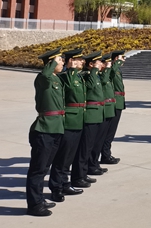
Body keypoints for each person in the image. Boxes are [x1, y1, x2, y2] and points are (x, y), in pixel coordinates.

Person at [25, 48, 64, 216]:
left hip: (55, 128)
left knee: (45, 167)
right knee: (38, 169)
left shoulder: (56, 79)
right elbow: (44, 75)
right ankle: (34, 205)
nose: (62, 62)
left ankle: (39, 199)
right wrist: (52, 61)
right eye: (59, 60)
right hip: (44, 129)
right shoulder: (43, 79)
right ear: (50, 63)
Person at [48, 48, 85, 203]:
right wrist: (70, 68)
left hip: (77, 120)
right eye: (76, 59)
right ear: (71, 61)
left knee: (68, 157)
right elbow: (69, 85)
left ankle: (65, 183)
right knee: (62, 158)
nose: (81, 61)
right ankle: (56, 187)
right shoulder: (66, 76)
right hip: (69, 120)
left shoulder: (78, 76)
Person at [71, 51, 104, 188]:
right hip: (89, 115)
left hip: (96, 114)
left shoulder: (94, 75)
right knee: (84, 149)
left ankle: (83, 174)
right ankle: (78, 176)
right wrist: (94, 70)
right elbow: (90, 86)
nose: (101, 64)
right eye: (98, 62)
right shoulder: (87, 75)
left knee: (89, 147)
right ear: (91, 64)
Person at [102, 49, 126, 164]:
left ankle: (106, 153)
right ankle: (105, 154)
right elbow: (110, 74)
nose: (124, 59)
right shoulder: (113, 69)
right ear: (116, 59)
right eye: (122, 57)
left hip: (119, 101)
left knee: (112, 130)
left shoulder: (117, 70)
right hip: (114, 102)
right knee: (109, 131)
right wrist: (116, 63)